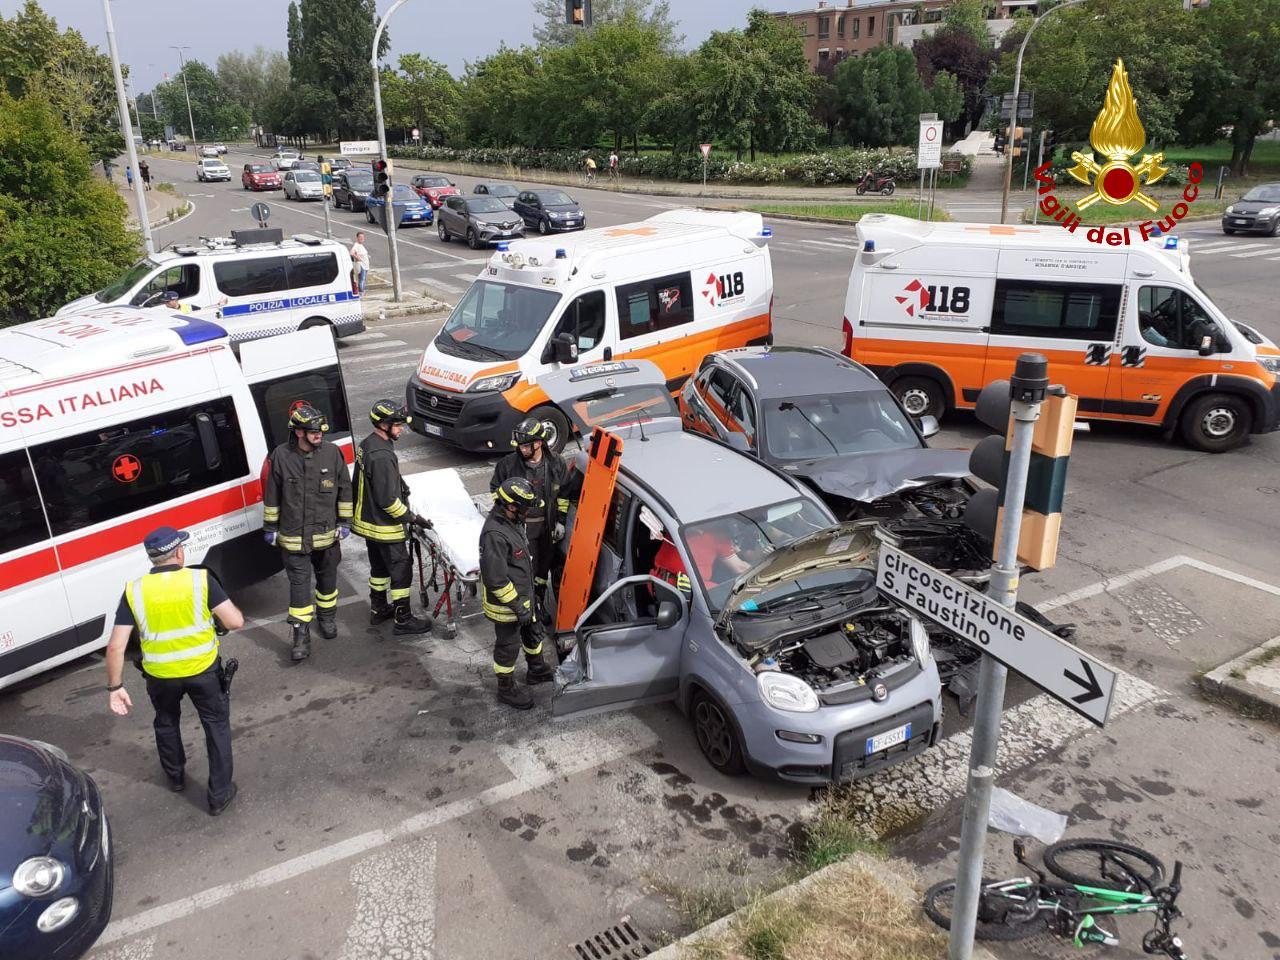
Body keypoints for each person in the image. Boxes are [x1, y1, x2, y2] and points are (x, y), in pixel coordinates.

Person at [105, 526, 244, 815]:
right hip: (203, 671)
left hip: (160, 676)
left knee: (166, 722)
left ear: (153, 558)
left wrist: (115, 687)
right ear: (179, 553)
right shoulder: (200, 580)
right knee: (215, 726)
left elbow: (116, 646)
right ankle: (219, 794)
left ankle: (176, 776)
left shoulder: (135, 590)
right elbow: (234, 622)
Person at [262, 403, 354, 662]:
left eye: (321, 432)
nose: (319, 436)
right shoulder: (280, 456)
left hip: (327, 537)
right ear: (299, 432)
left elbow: (344, 489)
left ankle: (327, 619)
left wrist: (345, 522)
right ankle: (300, 636)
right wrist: (270, 527)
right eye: (313, 432)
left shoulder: (332, 453)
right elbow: (273, 496)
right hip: (293, 538)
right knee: (299, 589)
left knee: (327, 583)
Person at [353, 400, 433, 635]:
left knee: (378, 568)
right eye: (397, 425)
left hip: (368, 524)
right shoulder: (382, 455)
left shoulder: (367, 444)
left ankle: (379, 609)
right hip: (385, 526)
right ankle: (403, 619)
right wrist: (413, 518)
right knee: (401, 570)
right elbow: (388, 501)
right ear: (384, 424)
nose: (401, 429)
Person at [489, 418, 575, 620]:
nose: (522, 449)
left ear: (539, 443)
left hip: (546, 529)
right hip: (520, 529)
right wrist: (507, 515)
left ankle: (538, 604)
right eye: (520, 445)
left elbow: (564, 494)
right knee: (525, 570)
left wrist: (560, 521)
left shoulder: (555, 464)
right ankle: (527, 609)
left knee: (542, 571)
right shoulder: (508, 465)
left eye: (526, 445)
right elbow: (495, 491)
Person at [481, 477, 554, 709]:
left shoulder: (512, 522)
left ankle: (536, 669)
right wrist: (518, 605)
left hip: (524, 597)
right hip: (506, 606)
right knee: (508, 646)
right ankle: (506, 688)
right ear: (511, 506)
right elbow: (497, 580)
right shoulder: (495, 534)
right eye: (525, 508)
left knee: (533, 632)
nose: (528, 513)